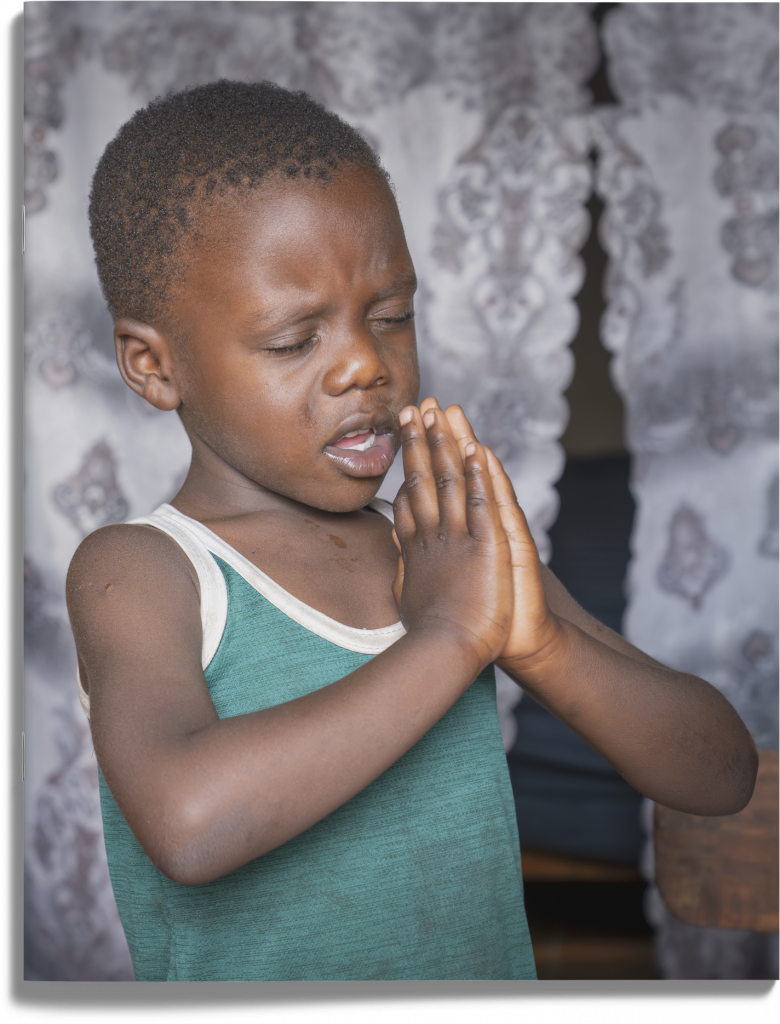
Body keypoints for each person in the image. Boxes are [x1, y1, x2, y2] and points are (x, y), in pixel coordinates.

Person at [66, 80, 757, 982]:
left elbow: (721, 774)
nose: (364, 362)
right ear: (154, 366)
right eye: (292, 340)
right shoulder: (143, 572)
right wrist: (449, 640)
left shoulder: (444, 548)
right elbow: (192, 824)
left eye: (391, 316)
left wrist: (534, 641)